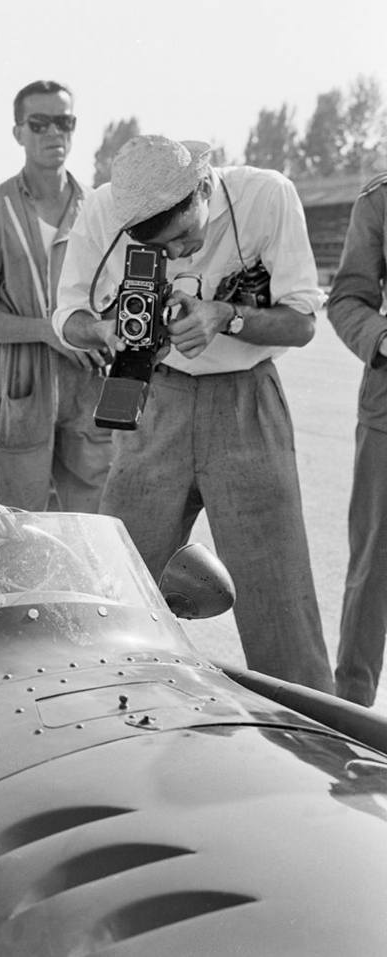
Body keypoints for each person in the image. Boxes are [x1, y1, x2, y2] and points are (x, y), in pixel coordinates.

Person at [52, 134, 332, 693]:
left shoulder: (267, 196)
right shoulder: (102, 208)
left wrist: (224, 315)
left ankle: (307, 742)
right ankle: (105, 708)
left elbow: (302, 322)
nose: (179, 253)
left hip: (246, 402)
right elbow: (66, 315)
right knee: (117, 583)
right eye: (163, 245)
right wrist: (106, 331)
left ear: (204, 186)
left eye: (184, 234)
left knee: (279, 596)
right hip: (154, 399)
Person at [0, 79, 112, 511]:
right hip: (17, 385)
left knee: (96, 523)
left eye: (64, 122)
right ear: (18, 132)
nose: (53, 134)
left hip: (88, 381)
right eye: (39, 124)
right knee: (14, 526)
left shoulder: (100, 210)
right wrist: (48, 330)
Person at [325, 171, 387, 706]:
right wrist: (382, 339)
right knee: (373, 568)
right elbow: (346, 301)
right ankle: (352, 713)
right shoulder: (380, 199)